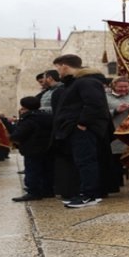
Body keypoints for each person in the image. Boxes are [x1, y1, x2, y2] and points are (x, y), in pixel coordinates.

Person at [51, 54, 112, 208]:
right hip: (75, 129)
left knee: (86, 162)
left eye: (58, 67)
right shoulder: (77, 82)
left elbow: (94, 104)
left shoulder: (87, 81)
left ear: (64, 65)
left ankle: (88, 195)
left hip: (82, 129)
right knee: (82, 161)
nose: (58, 72)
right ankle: (89, 193)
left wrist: (82, 123)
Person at [10, 96, 54, 201]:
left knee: (32, 171)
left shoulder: (28, 119)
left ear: (25, 107)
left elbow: (18, 135)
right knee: (46, 170)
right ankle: (47, 191)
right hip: (47, 148)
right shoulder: (48, 116)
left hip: (32, 149)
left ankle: (34, 192)